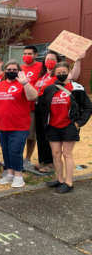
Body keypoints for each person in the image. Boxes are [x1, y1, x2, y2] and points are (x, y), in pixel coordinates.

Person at [39, 62, 92, 193]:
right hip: (53, 126)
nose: (61, 74)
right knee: (55, 154)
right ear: (54, 73)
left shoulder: (77, 88)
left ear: (69, 71)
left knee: (67, 154)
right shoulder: (49, 89)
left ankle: (69, 183)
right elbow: (43, 106)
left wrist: (79, 123)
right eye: (59, 72)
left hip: (69, 126)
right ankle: (60, 180)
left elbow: (88, 107)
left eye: (64, 72)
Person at [34, 51, 83, 173]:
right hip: (39, 108)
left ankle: (51, 163)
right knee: (40, 136)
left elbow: (74, 75)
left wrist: (78, 60)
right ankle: (43, 161)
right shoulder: (43, 76)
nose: (48, 61)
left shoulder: (59, 75)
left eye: (52, 59)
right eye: (47, 59)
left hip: (52, 108)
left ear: (57, 62)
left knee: (48, 136)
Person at [0, 60, 38, 188]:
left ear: (19, 71)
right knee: (6, 150)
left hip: (19, 126)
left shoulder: (22, 84)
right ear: (5, 71)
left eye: (14, 69)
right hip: (3, 125)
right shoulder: (0, 85)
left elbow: (33, 96)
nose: (11, 71)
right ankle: (10, 173)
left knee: (15, 151)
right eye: (8, 69)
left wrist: (25, 83)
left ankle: (18, 176)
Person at [21, 46, 42, 169]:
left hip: (33, 107)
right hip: (20, 107)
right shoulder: (20, 68)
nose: (26, 56)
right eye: (24, 53)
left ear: (35, 55)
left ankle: (27, 159)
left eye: (29, 53)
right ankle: (17, 157)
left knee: (31, 135)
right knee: (19, 134)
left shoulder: (40, 67)